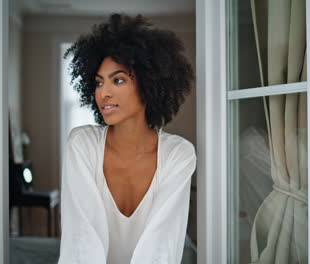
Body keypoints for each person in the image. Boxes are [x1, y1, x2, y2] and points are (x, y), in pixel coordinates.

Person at [57, 13, 197, 264]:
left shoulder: (178, 154)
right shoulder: (83, 145)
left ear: (148, 84)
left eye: (118, 80)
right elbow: (81, 239)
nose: (104, 93)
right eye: (99, 83)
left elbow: (161, 246)